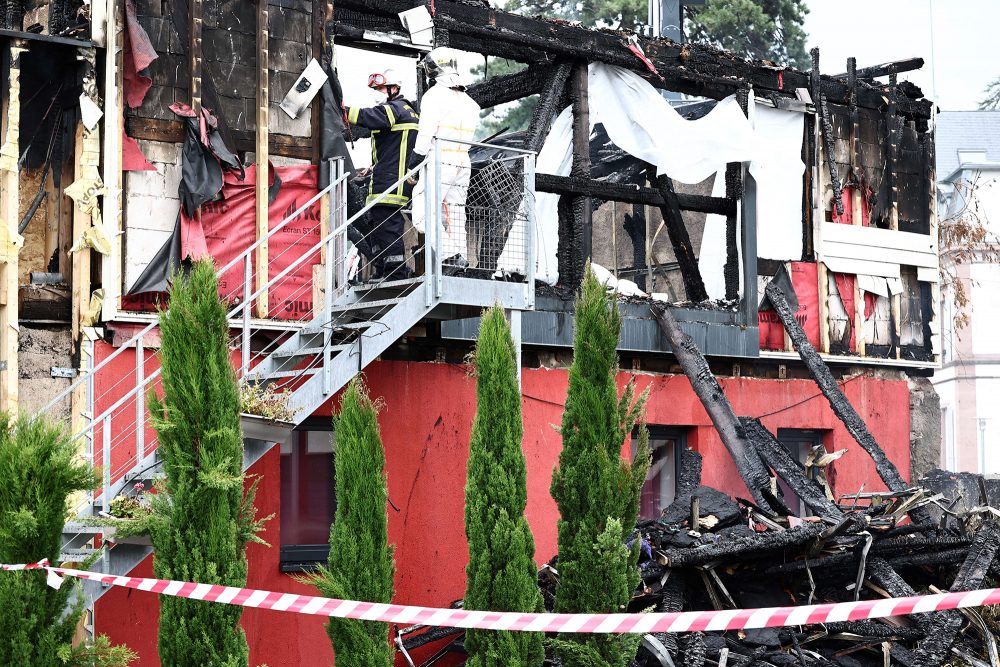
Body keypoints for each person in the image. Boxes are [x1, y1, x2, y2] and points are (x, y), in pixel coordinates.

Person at [408, 47, 481, 272]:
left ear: (432, 69)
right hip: (463, 161)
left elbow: (425, 133)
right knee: (456, 212)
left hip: (440, 159)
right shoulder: (470, 103)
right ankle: (459, 259)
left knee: (422, 211)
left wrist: (413, 164)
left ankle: (449, 256)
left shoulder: (433, 96)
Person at [343, 68, 420, 279]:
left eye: (380, 88)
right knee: (378, 225)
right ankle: (383, 269)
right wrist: (372, 166)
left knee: (388, 225)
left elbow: (369, 117)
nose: (377, 92)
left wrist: (343, 110)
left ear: (394, 88)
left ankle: (396, 272)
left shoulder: (396, 109)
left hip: (391, 179)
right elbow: (392, 147)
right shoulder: (404, 110)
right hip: (388, 176)